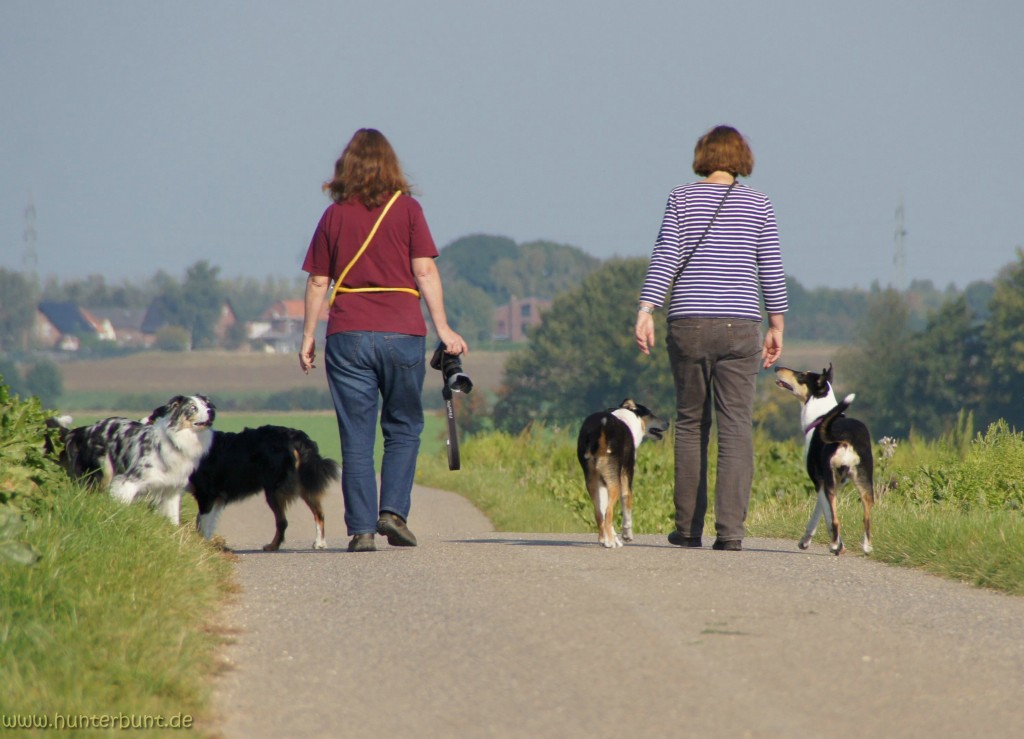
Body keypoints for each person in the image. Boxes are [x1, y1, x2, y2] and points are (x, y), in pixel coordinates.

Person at [299, 128, 467, 553]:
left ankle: (360, 530)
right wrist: (444, 328)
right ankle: (392, 512)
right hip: (402, 332)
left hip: (348, 333)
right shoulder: (408, 210)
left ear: (346, 167)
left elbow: (320, 280)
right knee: (404, 426)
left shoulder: (334, 216)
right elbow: (425, 272)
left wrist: (307, 335)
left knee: (356, 435)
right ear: (391, 165)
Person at [635, 125, 787, 552]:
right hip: (740, 325)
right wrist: (776, 325)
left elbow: (667, 252)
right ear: (742, 159)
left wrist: (646, 309)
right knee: (736, 426)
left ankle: (687, 530)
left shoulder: (681, 198)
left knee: (690, 424)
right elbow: (771, 267)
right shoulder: (759, 204)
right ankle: (731, 532)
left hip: (688, 323)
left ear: (703, 156)